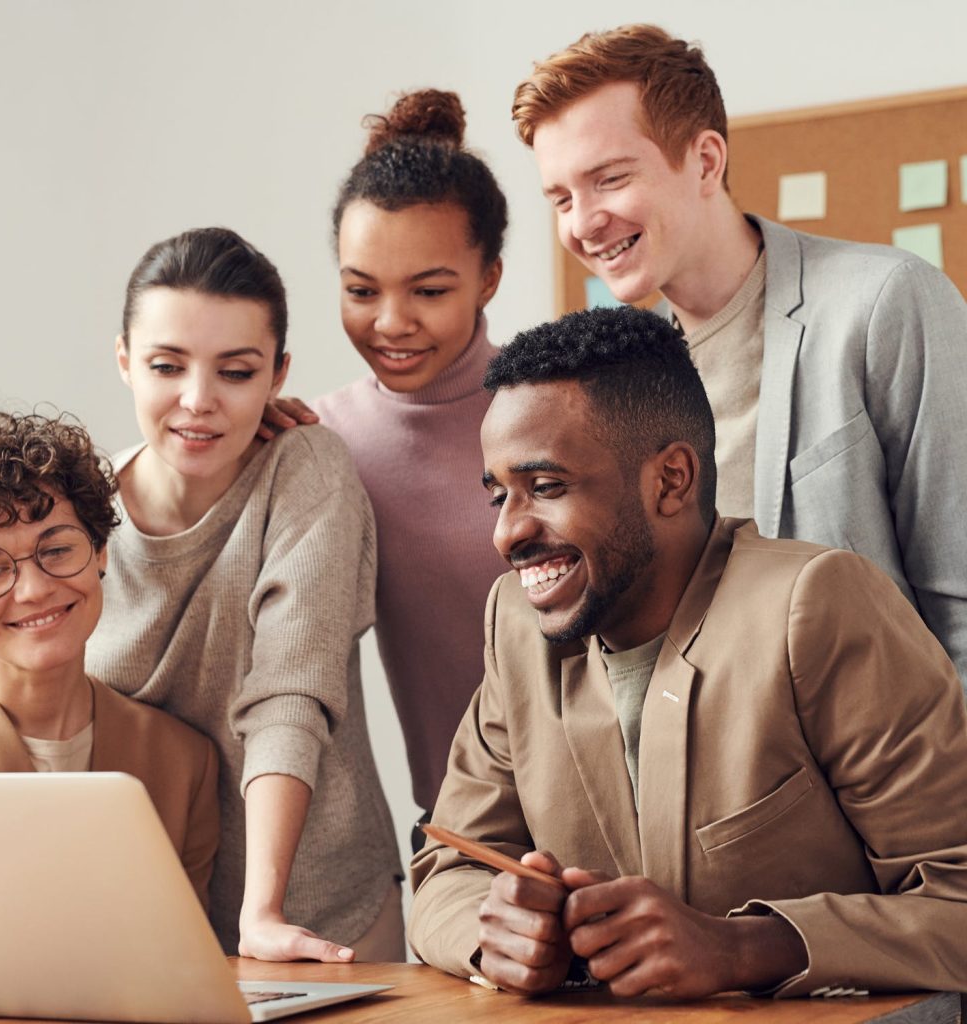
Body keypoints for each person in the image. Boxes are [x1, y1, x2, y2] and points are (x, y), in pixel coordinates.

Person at [409, 305, 967, 999]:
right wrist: (494, 936)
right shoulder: (518, 625)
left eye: (546, 488)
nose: (506, 534)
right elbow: (447, 867)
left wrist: (743, 947)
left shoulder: (815, 607)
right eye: (500, 496)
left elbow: (957, 898)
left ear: (671, 480)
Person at [510, 24, 967, 685]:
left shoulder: (885, 302)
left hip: (894, 769)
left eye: (608, 179)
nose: (582, 223)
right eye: (561, 198)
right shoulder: (619, 386)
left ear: (705, 161)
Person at [86, 227, 403, 961]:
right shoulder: (80, 510)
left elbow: (289, 691)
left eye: (235, 372)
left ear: (277, 375)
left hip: (316, 915)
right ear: (126, 361)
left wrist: (261, 914)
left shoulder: (305, 471)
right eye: (168, 366)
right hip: (145, 923)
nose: (198, 402)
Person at [277, 90, 510, 841]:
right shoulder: (321, 439)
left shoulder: (561, 406)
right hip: (458, 832)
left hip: (627, 818)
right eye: (360, 291)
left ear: (490, 279)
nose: (390, 323)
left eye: (430, 291)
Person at [0, 411, 219, 907]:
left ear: (100, 553)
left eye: (57, 550)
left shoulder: (183, 763)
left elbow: (180, 961)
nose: (35, 590)